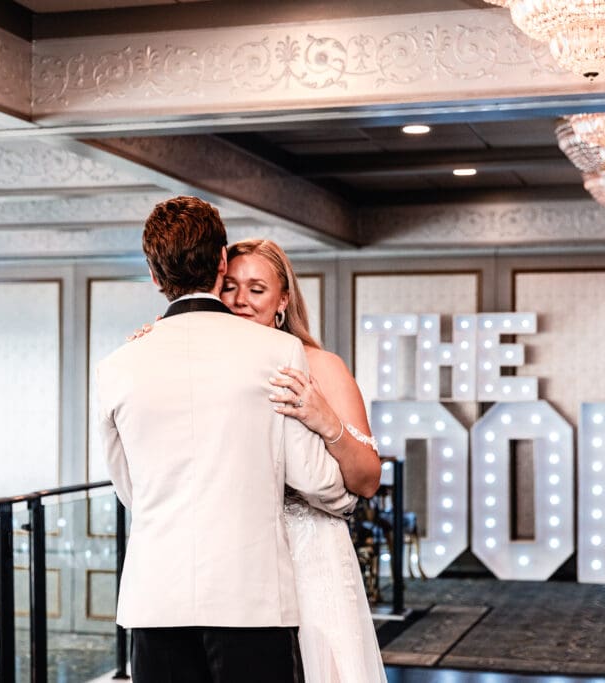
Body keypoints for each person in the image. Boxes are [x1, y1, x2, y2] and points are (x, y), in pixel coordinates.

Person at [96, 195, 358, 682]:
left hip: (155, 599)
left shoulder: (115, 366)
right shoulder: (277, 351)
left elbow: (129, 489)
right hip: (251, 599)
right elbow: (314, 479)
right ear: (221, 262)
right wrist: (344, 496)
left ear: (154, 276)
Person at [222, 238, 387, 682]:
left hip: (312, 561)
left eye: (256, 289)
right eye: (229, 287)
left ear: (283, 299)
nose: (240, 300)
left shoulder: (322, 365)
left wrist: (325, 418)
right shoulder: (213, 368)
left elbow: (368, 479)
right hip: (238, 565)